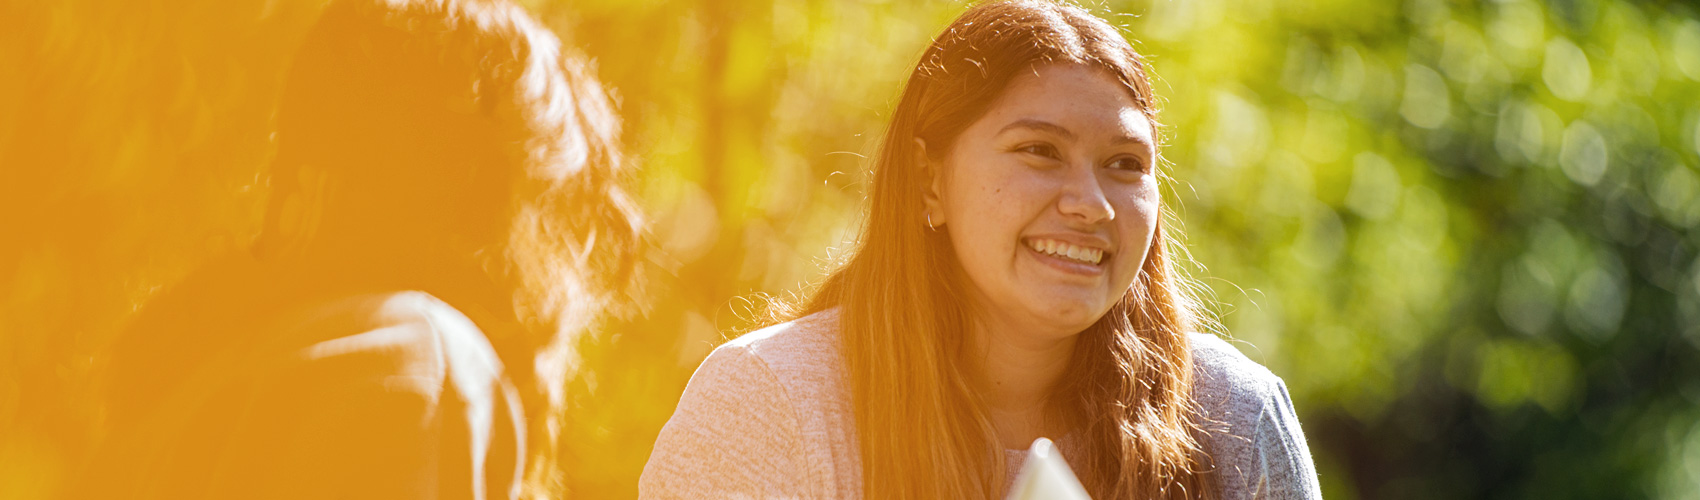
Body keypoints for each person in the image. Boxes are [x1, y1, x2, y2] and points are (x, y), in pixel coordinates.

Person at [639, 1, 1321, 499]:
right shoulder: (769, 404)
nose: (1090, 203)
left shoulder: (1235, 415)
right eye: (1039, 151)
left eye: (1124, 164)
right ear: (929, 182)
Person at [70, 0, 639, 498]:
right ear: (497, 205)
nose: (564, 294)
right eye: (557, 225)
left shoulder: (172, 414)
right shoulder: (409, 362)